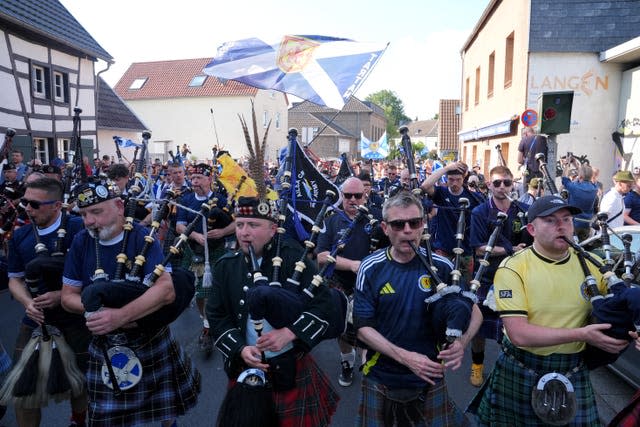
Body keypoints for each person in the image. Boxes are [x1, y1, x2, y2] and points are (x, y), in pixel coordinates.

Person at [468, 195, 635, 426]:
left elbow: (622, 303)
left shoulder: (591, 263)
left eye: (567, 219)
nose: (561, 226)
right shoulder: (513, 268)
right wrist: (582, 335)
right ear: (531, 229)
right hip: (523, 366)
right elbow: (519, 334)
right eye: (550, 220)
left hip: (573, 368)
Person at [61, 179, 200, 427]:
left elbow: (166, 290)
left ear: (119, 206)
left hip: (149, 337)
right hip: (105, 342)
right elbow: (68, 296)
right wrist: (97, 311)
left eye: (96, 212)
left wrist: (120, 316)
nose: (89, 221)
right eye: (83, 214)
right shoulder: (82, 241)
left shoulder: (141, 237)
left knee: (165, 412)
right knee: (108, 416)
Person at [207, 195, 339, 426]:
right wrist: (240, 349)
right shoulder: (226, 265)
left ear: (272, 230)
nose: (244, 232)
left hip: (290, 364)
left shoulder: (291, 259)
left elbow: (324, 306)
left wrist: (290, 332)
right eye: (239, 225)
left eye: (253, 225)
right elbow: (217, 315)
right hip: (245, 366)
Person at [353, 192, 482, 426]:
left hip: (429, 375)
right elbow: (362, 328)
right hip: (381, 373)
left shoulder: (442, 268)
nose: (407, 230)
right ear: (385, 228)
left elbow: (474, 311)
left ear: (422, 225)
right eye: (397, 224)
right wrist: (406, 358)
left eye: (414, 222)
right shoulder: (370, 267)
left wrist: (462, 342)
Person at [7, 177, 88, 427]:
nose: (27, 209)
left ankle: (78, 421)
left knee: (81, 382)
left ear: (57, 206)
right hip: (35, 320)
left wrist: (63, 295)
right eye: (24, 204)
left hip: (74, 318)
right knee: (23, 391)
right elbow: (15, 280)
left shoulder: (79, 229)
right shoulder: (20, 236)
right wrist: (27, 303)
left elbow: (95, 272)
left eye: (34, 204)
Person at [468, 165, 531, 387]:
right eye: (497, 183)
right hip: (487, 276)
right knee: (479, 328)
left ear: (513, 183)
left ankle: (507, 369)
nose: (502, 187)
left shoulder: (523, 210)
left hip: (517, 277)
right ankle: (477, 365)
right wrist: (510, 250)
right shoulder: (479, 213)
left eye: (506, 182)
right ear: (489, 185)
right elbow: (477, 248)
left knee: (513, 326)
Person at [316, 177, 378, 387]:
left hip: (371, 284)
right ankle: (347, 362)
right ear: (341, 195)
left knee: (369, 326)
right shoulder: (331, 219)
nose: (353, 200)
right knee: (343, 328)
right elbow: (322, 256)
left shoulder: (376, 219)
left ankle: (369, 365)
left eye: (357, 196)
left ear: (365, 196)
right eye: (348, 195)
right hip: (340, 281)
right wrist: (352, 265)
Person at [176, 163, 234, 354]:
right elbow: (180, 226)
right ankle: (206, 321)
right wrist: (195, 236)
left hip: (217, 250)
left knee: (213, 290)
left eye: (199, 178)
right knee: (200, 292)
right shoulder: (186, 199)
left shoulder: (221, 199)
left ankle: (210, 327)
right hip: (195, 251)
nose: (195, 182)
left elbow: (236, 224)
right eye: (192, 179)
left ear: (209, 179)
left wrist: (222, 231)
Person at [420, 161, 483, 283]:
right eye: (451, 179)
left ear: (463, 178)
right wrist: (446, 168)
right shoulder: (441, 193)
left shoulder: (473, 197)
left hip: (465, 249)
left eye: (458, 179)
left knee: (465, 285)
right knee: (440, 282)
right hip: (443, 248)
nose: (454, 183)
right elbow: (425, 186)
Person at [561, 163, 598, 241]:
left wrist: (567, 164)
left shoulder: (574, 187)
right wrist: (579, 168)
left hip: (573, 223)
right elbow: (586, 176)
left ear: (580, 176)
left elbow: (564, 178)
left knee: (571, 248)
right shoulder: (594, 188)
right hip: (586, 223)